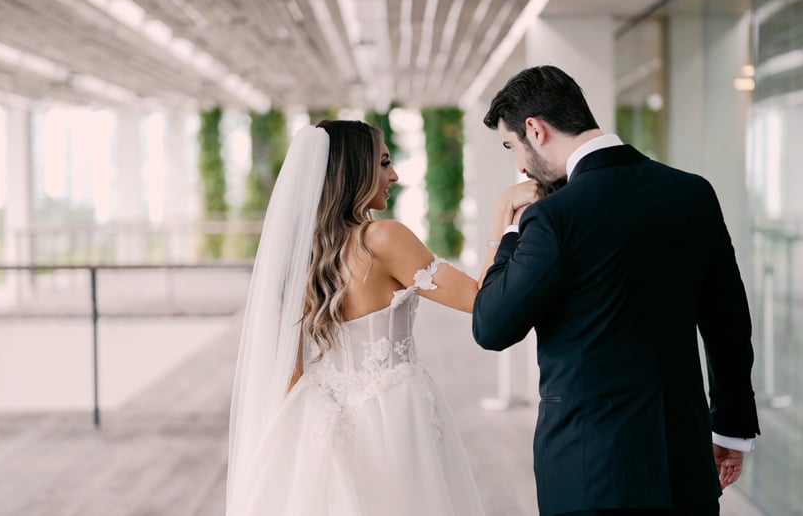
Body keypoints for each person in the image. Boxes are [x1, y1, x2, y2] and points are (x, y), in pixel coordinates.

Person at [472, 65, 760, 516]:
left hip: (591, 473)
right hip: (683, 467)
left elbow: (491, 325)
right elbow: (728, 323)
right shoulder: (692, 193)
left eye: (513, 147)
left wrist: (508, 231)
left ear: (536, 129)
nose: (520, 166)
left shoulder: (551, 219)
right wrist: (731, 429)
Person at [226, 120, 540, 515]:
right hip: (393, 411)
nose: (394, 175)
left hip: (318, 413)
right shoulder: (383, 238)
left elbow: (289, 377)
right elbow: (479, 298)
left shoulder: (295, 256)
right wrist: (504, 220)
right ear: (353, 171)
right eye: (384, 163)